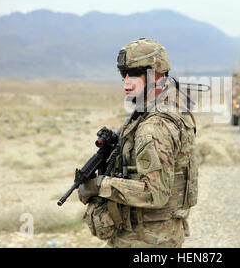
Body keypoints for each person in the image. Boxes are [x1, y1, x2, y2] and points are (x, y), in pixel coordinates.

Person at [78, 38, 198, 248]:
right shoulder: (166, 110)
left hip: (145, 239)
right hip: (156, 235)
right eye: (123, 74)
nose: (126, 80)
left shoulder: (153, 128)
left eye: (134, 74)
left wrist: (99, 185)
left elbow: (155, 193)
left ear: (157, 75)